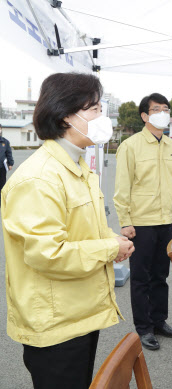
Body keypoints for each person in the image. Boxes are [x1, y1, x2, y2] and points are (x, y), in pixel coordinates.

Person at [1, 72, 134, 389]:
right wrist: (109, 249)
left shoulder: (77, 167)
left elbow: (80, 232)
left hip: (79, 314)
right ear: (64, 116)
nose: (103, 118)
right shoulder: (40, 178)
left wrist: (111, 239)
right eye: (94, 110)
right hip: (55, 325)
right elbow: (48, 253)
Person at [114, 92, 172, 351]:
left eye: (165, 108)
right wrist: (125, 221)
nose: (162, 112)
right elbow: (122, 187)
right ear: (145, 116)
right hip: (140, 222)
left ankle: (159, 321)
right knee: (141, 277)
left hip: (165, 220)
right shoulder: (130, 146)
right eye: (157, 109)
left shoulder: (171, 146)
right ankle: (143, 328)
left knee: (161, 274)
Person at [0, 123, 14, 197]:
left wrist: (10, 163)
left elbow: (9, 153)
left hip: (2, 168)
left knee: (2, 185)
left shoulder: (5, 142)